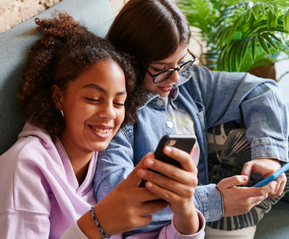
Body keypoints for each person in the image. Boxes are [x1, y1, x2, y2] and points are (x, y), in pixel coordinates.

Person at [0, 12, 205, 238]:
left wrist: (184, 212)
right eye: (93, 99)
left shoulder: (98, 163)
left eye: (119, 102)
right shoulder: (24, 171)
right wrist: (98, 224)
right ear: (58, 97)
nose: (109, 113)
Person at [93, 0, 289, 238]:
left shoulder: (189, 82)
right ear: (130, 61)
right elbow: (115, 199)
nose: (175, 76)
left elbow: (262, 90)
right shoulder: (116, 114)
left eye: (181, 62)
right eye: (161, 67)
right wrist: (214, 201)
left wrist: (267, 155)